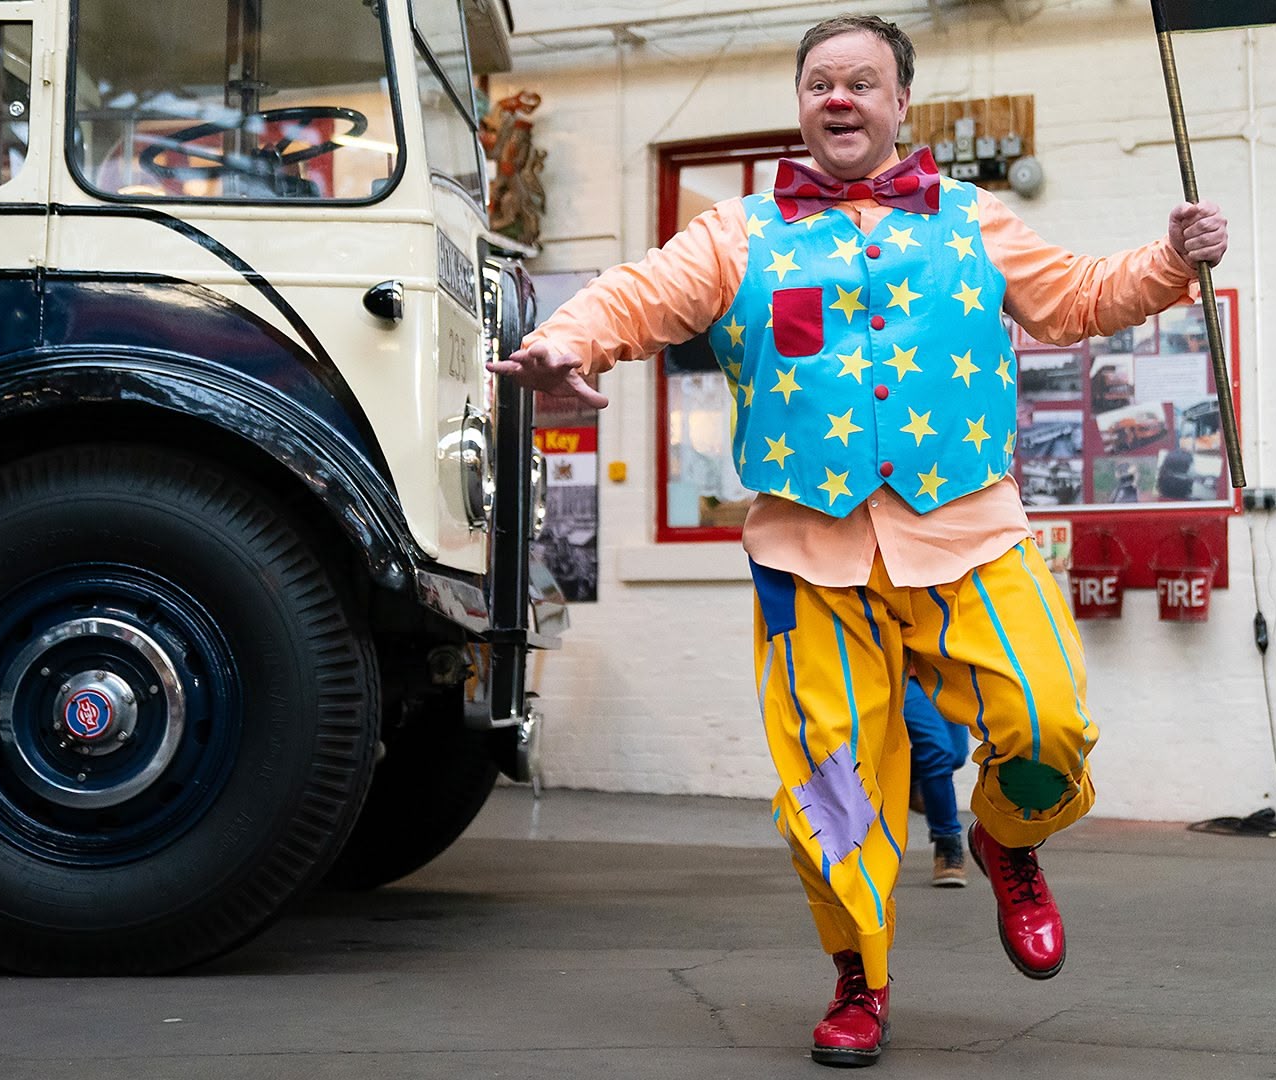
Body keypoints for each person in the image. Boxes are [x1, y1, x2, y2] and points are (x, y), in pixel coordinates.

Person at [489, 13, 1228, 1068]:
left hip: (970, 529)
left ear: (899, 107)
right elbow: (639, 294)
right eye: (822, 82)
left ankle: (1008, 841)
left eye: (862, 83)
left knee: (1050, 720)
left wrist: (1169, 258)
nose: (841, 97)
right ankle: (860, 979)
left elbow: (1077, 300)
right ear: (802, 104)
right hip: (809, 555)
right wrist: (566, 340)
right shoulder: (737, 233)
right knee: (832, 788)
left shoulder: (973, 220)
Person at [902, 668, 969, 886]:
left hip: (945, 668)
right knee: (938, 750)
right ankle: (947, 845)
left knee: (956, 755)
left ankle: (910, 779)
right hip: (900, 669)